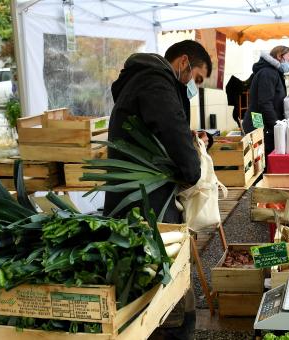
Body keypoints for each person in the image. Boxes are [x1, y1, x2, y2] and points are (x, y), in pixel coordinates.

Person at [105, 39, 212, 340]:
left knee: (140, 262)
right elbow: (172, 129)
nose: (194, 85)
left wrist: (194, 141)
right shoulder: (156, 83)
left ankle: (157, 323)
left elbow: (166, 129)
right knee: (153, 264)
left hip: (136, 188)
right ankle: (162, 327)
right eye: (197, 77)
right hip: (144, 195)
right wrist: (193, 171)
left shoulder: (143, 79)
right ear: (183, 62)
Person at [242, 46, 289, 156]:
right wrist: (276, 126)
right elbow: (264, 104)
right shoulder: (268, 73)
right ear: (280, 56)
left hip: (261, 121)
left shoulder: (273, 72)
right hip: (259, 122)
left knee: (262, 156)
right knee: (261, 159)